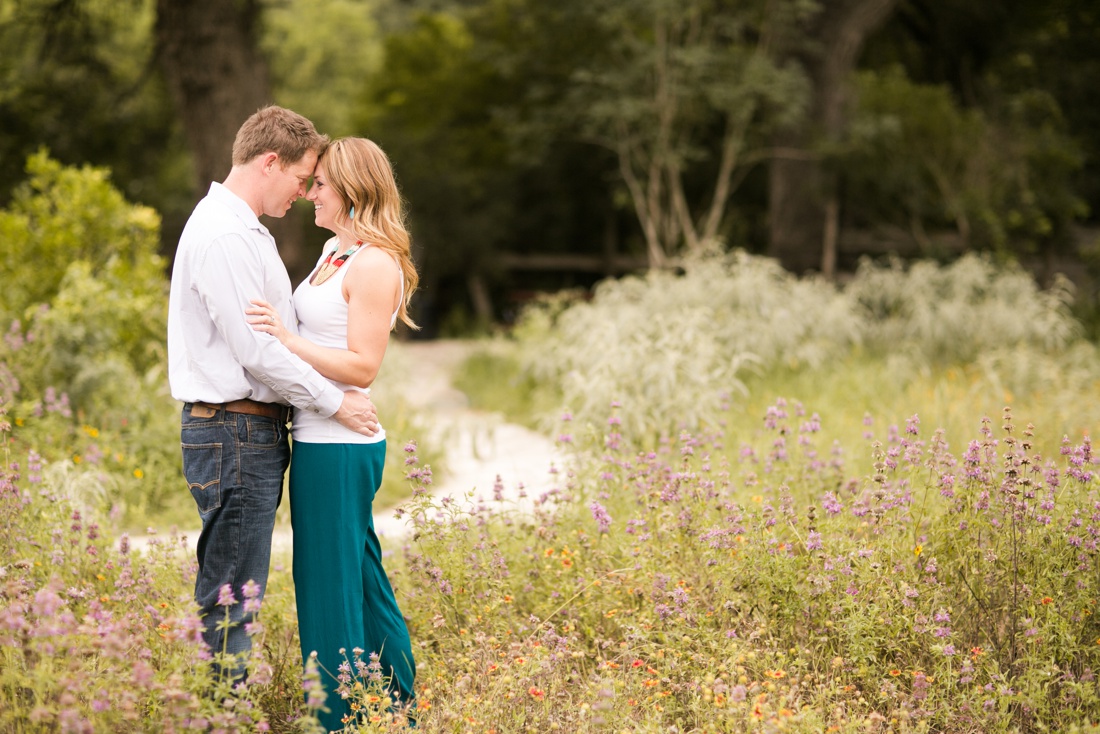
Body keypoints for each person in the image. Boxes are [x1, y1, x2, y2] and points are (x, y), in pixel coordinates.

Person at [167, 106, 380, 682]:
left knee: (238, 588)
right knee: (233, 595)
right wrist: (336, 402)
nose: (306, 191)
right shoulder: (224, 236)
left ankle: (223, 708)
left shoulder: (243, 230)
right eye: (302, 177)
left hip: (247, 430)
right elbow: (258, 352)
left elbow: (278, 339)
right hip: (234, 430)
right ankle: (222, 715)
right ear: (269, 162)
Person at [246, 137, 418, 730]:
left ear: (350, 189)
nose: (309, 192)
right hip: (321, 439)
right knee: (360, 578)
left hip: (342, 447)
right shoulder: (332, 253)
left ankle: (338, 719)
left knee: (328, 586)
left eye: (319, 184)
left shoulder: (374, 262)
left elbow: (363, 366)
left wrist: (286, 341)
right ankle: (397, 705)